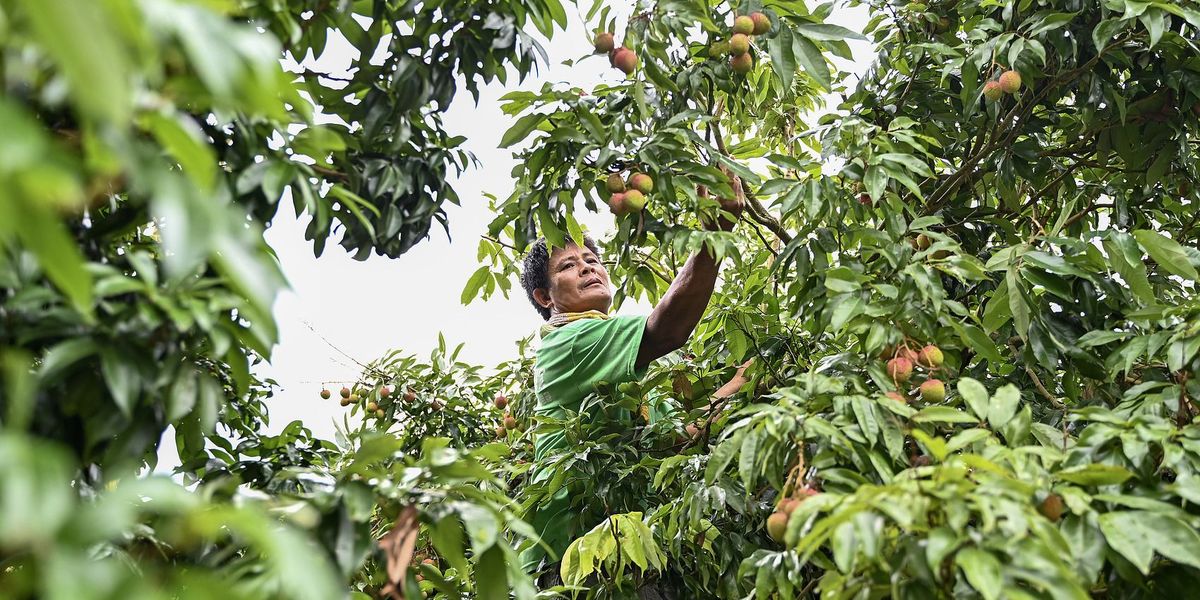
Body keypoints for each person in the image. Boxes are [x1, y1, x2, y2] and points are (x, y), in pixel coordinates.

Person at [516, 174, 750, 588]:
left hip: (627, 548)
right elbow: (667, 329)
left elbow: (677, 436)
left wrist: (741, 386)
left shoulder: (624, 371)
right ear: (545, 298)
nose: (588, 267)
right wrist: (715, 234)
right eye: (568, 265)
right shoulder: (567, 340)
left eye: (593, 260)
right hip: (571, 558)